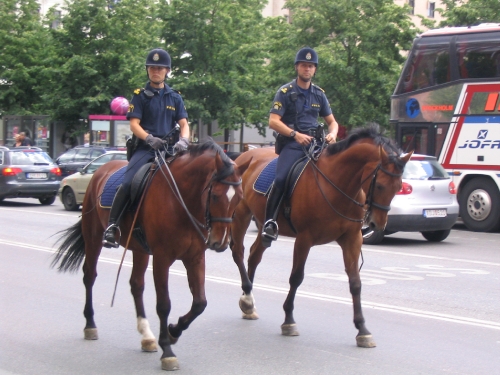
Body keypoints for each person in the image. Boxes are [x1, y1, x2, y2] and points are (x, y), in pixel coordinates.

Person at [102, 48, 190, 248]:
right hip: (146, 149)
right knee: (127, 183)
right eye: (152, 68)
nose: (155, 71)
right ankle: (112, 226)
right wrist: (149, 139)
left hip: (169, 150)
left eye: (159, 68)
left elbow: (184, 124)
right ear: (148, 70)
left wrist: (184, 141)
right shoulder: (140, 96)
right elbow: (134, 124)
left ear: (167, 71)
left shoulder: (175, 97)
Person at [262, 46, 340, 247]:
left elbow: (333, 121)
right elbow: (273, 121)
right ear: (297, 67)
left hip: (317, 144)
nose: (308, 69)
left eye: (311, 66)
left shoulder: (319, 94)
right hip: (293, 145)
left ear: (315, 70)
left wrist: (333, 134)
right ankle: (269, 222)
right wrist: (295, 135)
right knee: (280, 178)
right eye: (304, 65)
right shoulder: (285, 92)